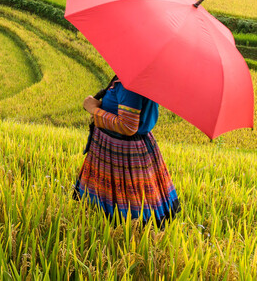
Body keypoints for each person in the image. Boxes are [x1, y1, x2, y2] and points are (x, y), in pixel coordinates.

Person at [73, 76, 180, 224]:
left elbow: (128, 126)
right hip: (119, 146)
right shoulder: (130, 79)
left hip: (122, 151)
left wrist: (94, 109)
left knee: (126, 209)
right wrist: (102, 105)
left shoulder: (130, 85)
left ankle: (125, 231)